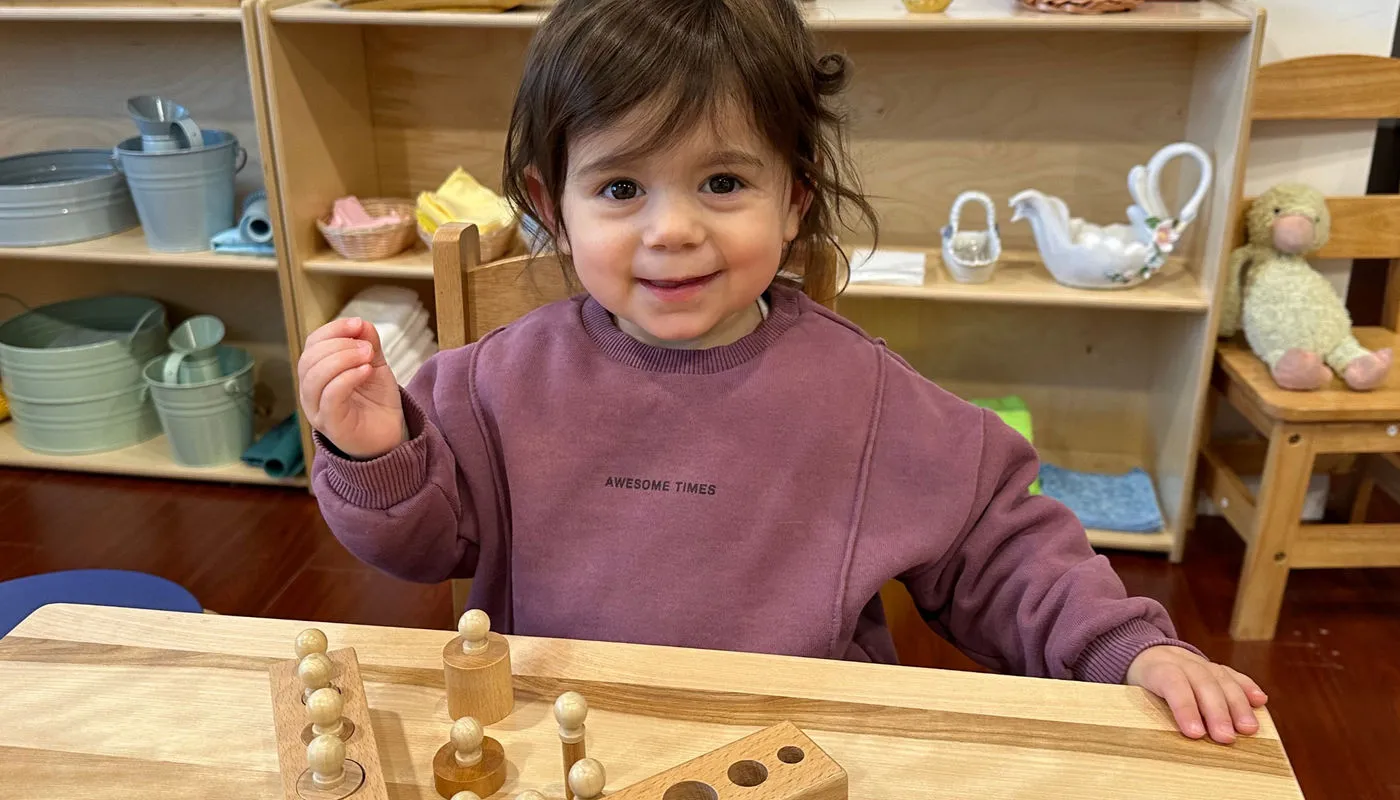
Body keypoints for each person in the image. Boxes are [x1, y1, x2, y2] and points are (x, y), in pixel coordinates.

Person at [298, 0, 1267, 745]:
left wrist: (1125, 646)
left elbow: (999, 548)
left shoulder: (867, 398)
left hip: (801, 751)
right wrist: (372, 447)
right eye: (621, 186)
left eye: (722, 182)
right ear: (553, 206)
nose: (671, 228)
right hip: (565, 739)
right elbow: (418, 545)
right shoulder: (489, 383)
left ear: (794, 199)